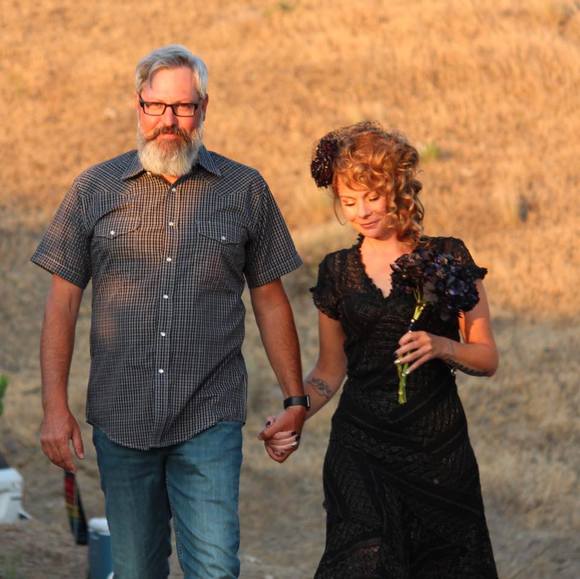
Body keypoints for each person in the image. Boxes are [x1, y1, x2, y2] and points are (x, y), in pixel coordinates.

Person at [32, 44, 308, 579]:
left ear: (203, 108)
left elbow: (270, 299)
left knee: (215, 568)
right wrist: (54, 408)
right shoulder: (94, 188)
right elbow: (61, 303)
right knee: (136, 569)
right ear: (138, 105)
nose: (168, 121)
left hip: (209, 414)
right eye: (156, 106)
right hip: (121, 417)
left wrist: (295, 399)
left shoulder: (245, 189)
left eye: (182, 107)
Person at [263, 122, 499, 577]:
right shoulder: (336, 271)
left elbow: (487, 358)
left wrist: (442, 346)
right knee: (361, 561)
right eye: (348, 201)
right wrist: (294, 412)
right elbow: (328, 371)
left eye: (371, 197)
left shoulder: (448, 258)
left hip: (437, 450)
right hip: (360, 447)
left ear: (398, 188)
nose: (361, 212)